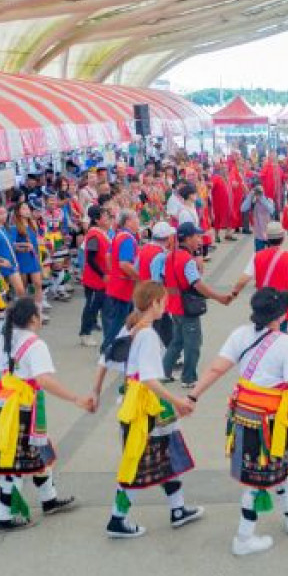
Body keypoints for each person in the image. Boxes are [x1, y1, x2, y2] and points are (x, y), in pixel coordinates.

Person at [188, 289, 288, 556]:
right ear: (282, 314)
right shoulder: (287, 343)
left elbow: (216, 368)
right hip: (270, 420)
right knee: (257, 479)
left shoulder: (240, 334)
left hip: (243, 413)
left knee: (281, 465)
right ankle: (243, 538)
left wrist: (193, 395)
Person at [91, 282, 203, 539]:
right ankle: (117, 519)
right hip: (147, 404)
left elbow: (104, 359)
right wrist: (178, 401)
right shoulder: (148, 335)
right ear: (154, 303)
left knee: (163, 455)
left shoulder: (131, 326)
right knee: (138, 461)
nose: (166, 306)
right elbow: (151, 379)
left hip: (136, 400)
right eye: (164, 302)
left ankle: (178, 509)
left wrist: (96, 391)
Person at [0, 297, 97, 532]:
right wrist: (76, 398)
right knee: (13, 464)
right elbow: (44, 380)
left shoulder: (4, 339)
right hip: (23, 408)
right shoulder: (35, 345)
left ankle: (49, 499)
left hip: (3, 405)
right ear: (33, 319)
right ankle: (4, 516)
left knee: (36, 452)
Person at [161, 222, 232, 388]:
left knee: (177, 341)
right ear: (187, 238)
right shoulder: (187, 260)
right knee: (192, 344)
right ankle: (188, 378)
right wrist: (218, 297)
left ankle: (164, 372)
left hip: (174, 304)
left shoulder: (170, 255)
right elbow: (197, 284)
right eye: (196, 236)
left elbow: (165, 278)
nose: (199, 240)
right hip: (186, 307)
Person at [102, 211, 139, 352]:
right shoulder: (128, 238)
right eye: (135, 218)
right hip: (124, 286)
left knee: (122, 319)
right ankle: (107, 348)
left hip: (117, 284)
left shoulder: (119, 235)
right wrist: (139, 277)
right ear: (128, 221)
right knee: (119, 321)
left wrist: (114, 273)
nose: (138, 221)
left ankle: (119, 346)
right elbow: (125, 264)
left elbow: (108, 256)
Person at [78, 205, 111, 347]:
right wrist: (102, 274)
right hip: (94, 279)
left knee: (101, 307)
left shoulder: (102, 233)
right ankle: (85, 333)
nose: (108, 219)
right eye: (105, 216)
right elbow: (90, 258)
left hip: (101, 279)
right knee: (91, 307)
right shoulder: (93, 235)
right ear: (97, 220)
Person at [9, 202, 46, 314]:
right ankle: (23, 311)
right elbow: (12, 245)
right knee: (22, 287)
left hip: (33, 257)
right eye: (24, 209)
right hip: (22, 258)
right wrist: (24, 246)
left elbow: (36, 242)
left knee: (38, 284)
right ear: (18, 212)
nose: (27, 211)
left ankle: (38, 311)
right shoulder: (15, 226)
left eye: (28, 208)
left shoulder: (33, 224)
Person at [0, 204, 25, 298]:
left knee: (20, 290)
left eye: (5, 213)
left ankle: (20, 310)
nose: (4, 215)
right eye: (0, 213)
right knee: (1, 294)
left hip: (11, 263)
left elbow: (10, 245)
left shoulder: (7, 228)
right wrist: (0, 261)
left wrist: (22, 247)